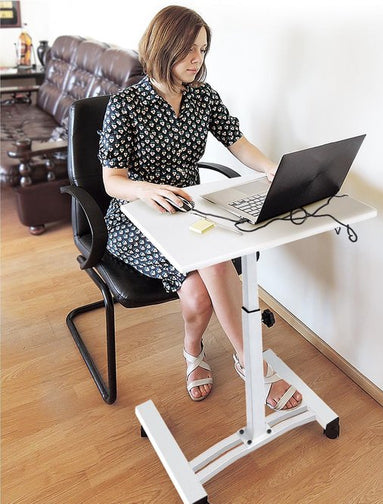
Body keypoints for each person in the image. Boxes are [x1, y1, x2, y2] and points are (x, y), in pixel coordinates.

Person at [98, 5, 302, 410]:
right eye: (189, 50)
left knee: (197, 296)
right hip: (136, 215)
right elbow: (111, 181)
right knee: (212, 266)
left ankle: (193, 351)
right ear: (162, 46)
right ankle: (250, 361)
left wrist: (271, 167)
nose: (198, 60)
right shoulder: (125, 105)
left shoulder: (203, 96)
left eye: (203, 50)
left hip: (189, 209)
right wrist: (146, 190)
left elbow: (236, 141)